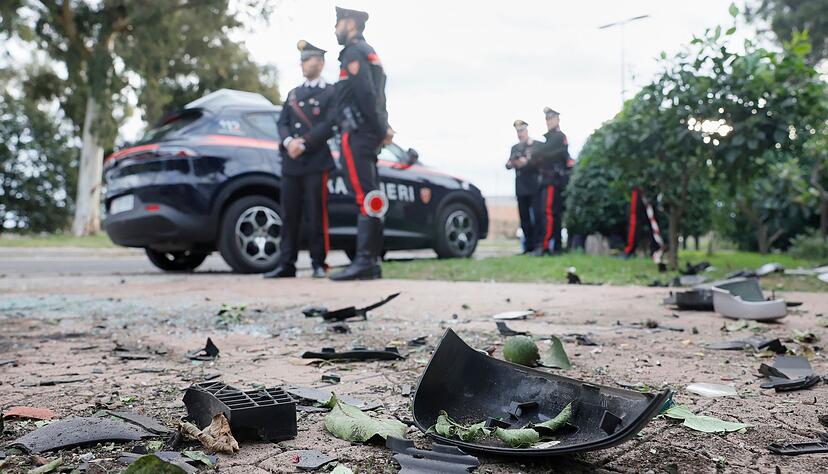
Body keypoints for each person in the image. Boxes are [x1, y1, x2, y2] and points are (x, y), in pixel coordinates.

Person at [329, 6, 393, 281]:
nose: (335, 30)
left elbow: (366, 94)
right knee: (372, 196)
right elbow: (379, 97)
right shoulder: (369, 52)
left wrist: (381, 128)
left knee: (364, 197)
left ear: (350, 23)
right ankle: (372, 261)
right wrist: (383, 127)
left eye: (337, 24)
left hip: (356, 134)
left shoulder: (354, 52)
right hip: (368, 133)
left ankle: (365, 261)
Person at [264, 40, 336, 279]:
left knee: (316, 213)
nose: (303, 64)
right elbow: (282, 122)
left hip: (315, 160)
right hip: (291, 162)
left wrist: (303, 142)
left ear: (320, 62)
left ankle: (318, 262)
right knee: (289, 213)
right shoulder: (293, 93)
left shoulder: (330, 92)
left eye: (308, 59)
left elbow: (329, 124)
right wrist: (288, 143)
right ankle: (287, 263)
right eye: (302, 60)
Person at [529, 107, 571, 256]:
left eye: (551, 118)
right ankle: (556, 247)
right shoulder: (549, 139)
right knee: (553, 214)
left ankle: (546, 246)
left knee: (549, 213)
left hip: (552, 181)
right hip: (550, 181)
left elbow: (543, 153)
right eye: (547, 119)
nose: (549, 121)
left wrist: (538, 152)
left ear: (557, 119)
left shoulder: (558, 137)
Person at [505, 119, 538, 254]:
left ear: (526, 130)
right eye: (518, 131)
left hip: (533, 187)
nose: (520, 134)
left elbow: (533, 164)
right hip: (520, 188)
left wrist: (524, 162)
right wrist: (514, 163)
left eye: (522, 130)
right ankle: (527, 247)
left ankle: (537, 245)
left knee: (535, 218)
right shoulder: (515, 148)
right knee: (524, 219)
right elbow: (508, 164)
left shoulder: (534, 145)